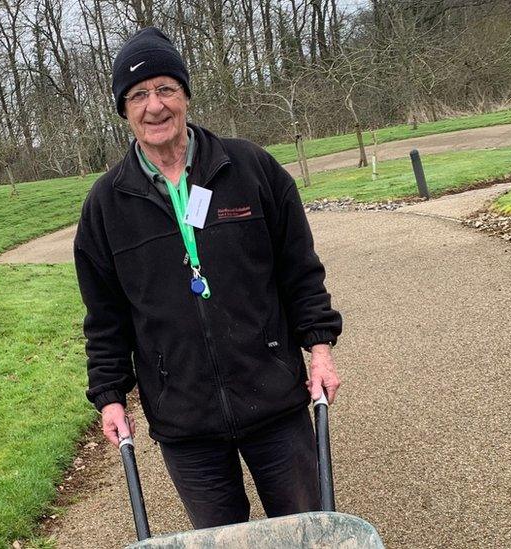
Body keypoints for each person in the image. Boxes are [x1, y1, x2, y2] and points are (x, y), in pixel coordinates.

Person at [73, 27, 343, 529]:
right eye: (138, 95)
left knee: (306, 531)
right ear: (124, 110)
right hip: (185, 425)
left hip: (275, 404)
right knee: (222, 540)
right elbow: (105, 316)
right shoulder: (105, 206)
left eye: (165, 89)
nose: (154, 106)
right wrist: (110, 396)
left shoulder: (250, 169)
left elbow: (300, 270)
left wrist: (320, 348)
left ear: (186, 95)